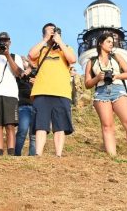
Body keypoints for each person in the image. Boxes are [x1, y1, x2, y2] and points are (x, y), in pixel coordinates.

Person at [85, 32, 127, 161]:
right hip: (100, 92)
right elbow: (87, 84)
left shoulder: (117, 56)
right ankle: (113, 157)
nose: (111, 44)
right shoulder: (92, 61)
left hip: (118, 89)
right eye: (108, 41)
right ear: (100, 43)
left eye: (112, 42)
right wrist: (97, 78)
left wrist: (116, 76)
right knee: (107, 125)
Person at [29, 23, 76, 157]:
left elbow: (72, 59)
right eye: (49, 31)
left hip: (61, 92)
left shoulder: (66, 48)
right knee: (40, 125)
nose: (52, 33)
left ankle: (58, 154)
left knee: (59, 126)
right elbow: (31, 55)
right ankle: (38, 154)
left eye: (54, 31)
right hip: (42, 91)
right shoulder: (42, 50)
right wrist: (45, 40)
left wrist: (60, 42)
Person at [0, 32, 23, 156]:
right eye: (1, 41)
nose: (3, 43)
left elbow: (18, 73)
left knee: (10, 125)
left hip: (10, 94)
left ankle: (11, 154)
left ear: (9, 42)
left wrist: (7, 55)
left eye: (5, 41)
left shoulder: (15, 56)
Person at [14, 56, 36, 156]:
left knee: (34, 134)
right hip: (23, 106)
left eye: (27, 61)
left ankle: (32, 156)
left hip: (36, 106)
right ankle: (17, 155)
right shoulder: (19, 75)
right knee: (22, 131)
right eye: (24, 62)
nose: (26, 63)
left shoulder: (37, 75)